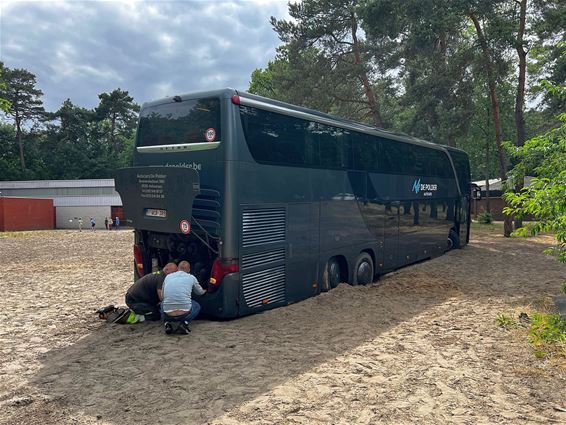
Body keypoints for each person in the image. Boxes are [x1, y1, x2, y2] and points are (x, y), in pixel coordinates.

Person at [161, 260, 206, 335]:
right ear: (189, 270)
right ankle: (184, 323)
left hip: (168, 313)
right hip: (184, 313)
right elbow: (199, 292)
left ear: (178, 268)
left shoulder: (168, 277)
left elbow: (163, 296)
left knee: (162, 303)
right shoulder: (192, 277)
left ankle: (167, 324)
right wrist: (205, 290)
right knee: (197, 306)